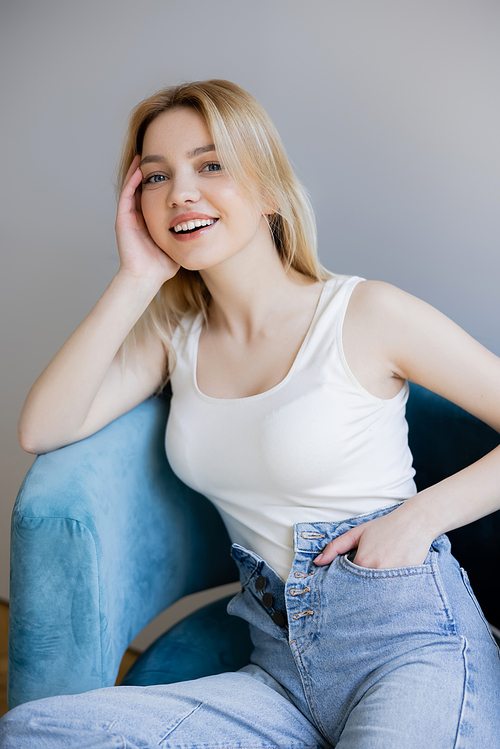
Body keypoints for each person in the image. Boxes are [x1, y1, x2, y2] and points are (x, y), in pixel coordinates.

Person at [1, 79, 500, 748]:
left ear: (269, 190)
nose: (181, 191)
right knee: (34, 732)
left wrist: (419, 517)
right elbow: (43, 426)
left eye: (211, 165)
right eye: (157, 177)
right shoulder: (173, 338)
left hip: (409, 643)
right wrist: (138, 275)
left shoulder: (365, 314)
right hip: (278, 668)